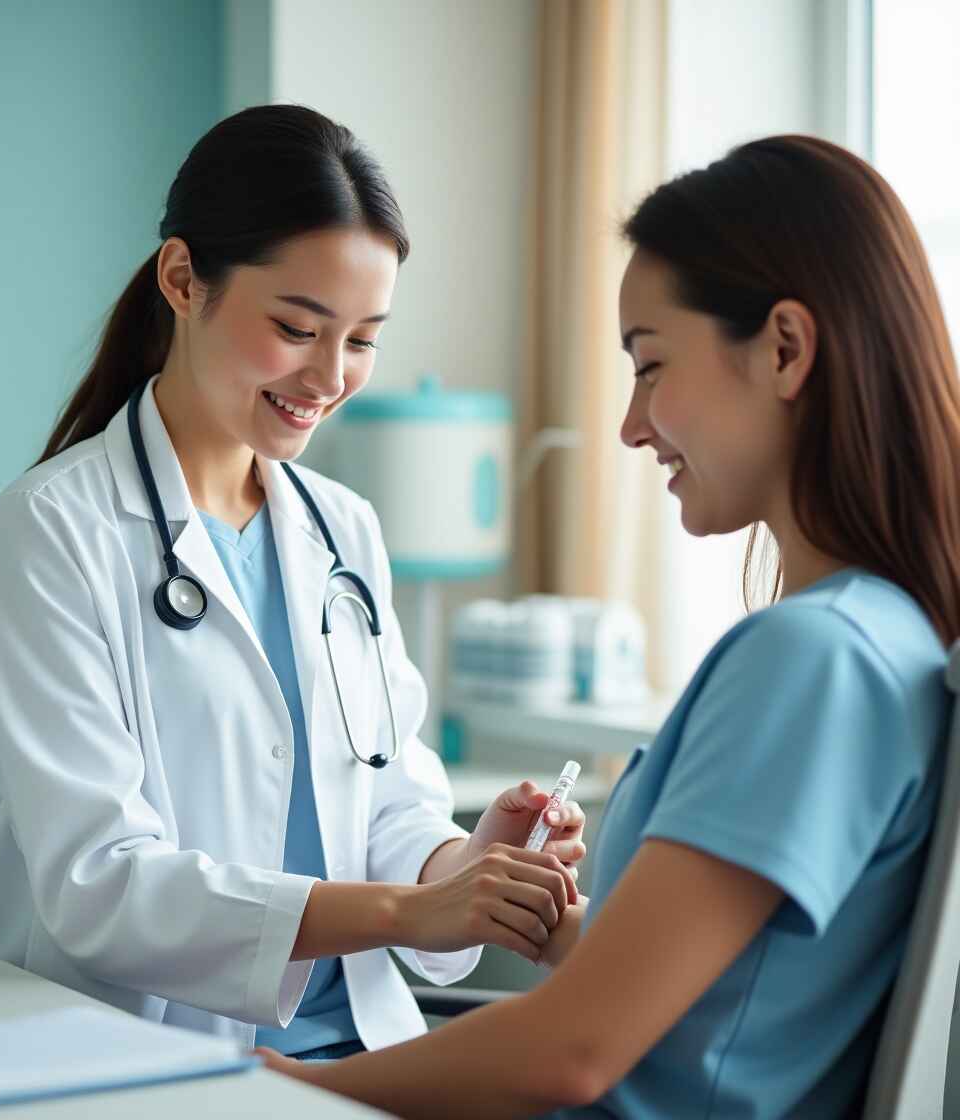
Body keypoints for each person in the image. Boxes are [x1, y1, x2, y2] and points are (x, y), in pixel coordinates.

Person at [261, 134, 960, 1113]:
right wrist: (563, 932)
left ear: (785, 349)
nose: (632, 425)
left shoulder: (815, 657)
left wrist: (280, 1089)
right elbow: (740, 1005)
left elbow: (572, 1051)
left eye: (650, 364)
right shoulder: (886, 637)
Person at [0, 104, 587, 1061]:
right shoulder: (52, 530)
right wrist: (414, 910)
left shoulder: (344, 530)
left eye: (364, 339)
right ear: (182, 280)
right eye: (297, 327)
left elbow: (385, 803)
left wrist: (471, 860)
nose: (330, 376)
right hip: (133, 1054)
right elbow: (102, 884)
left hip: (358, 1049)